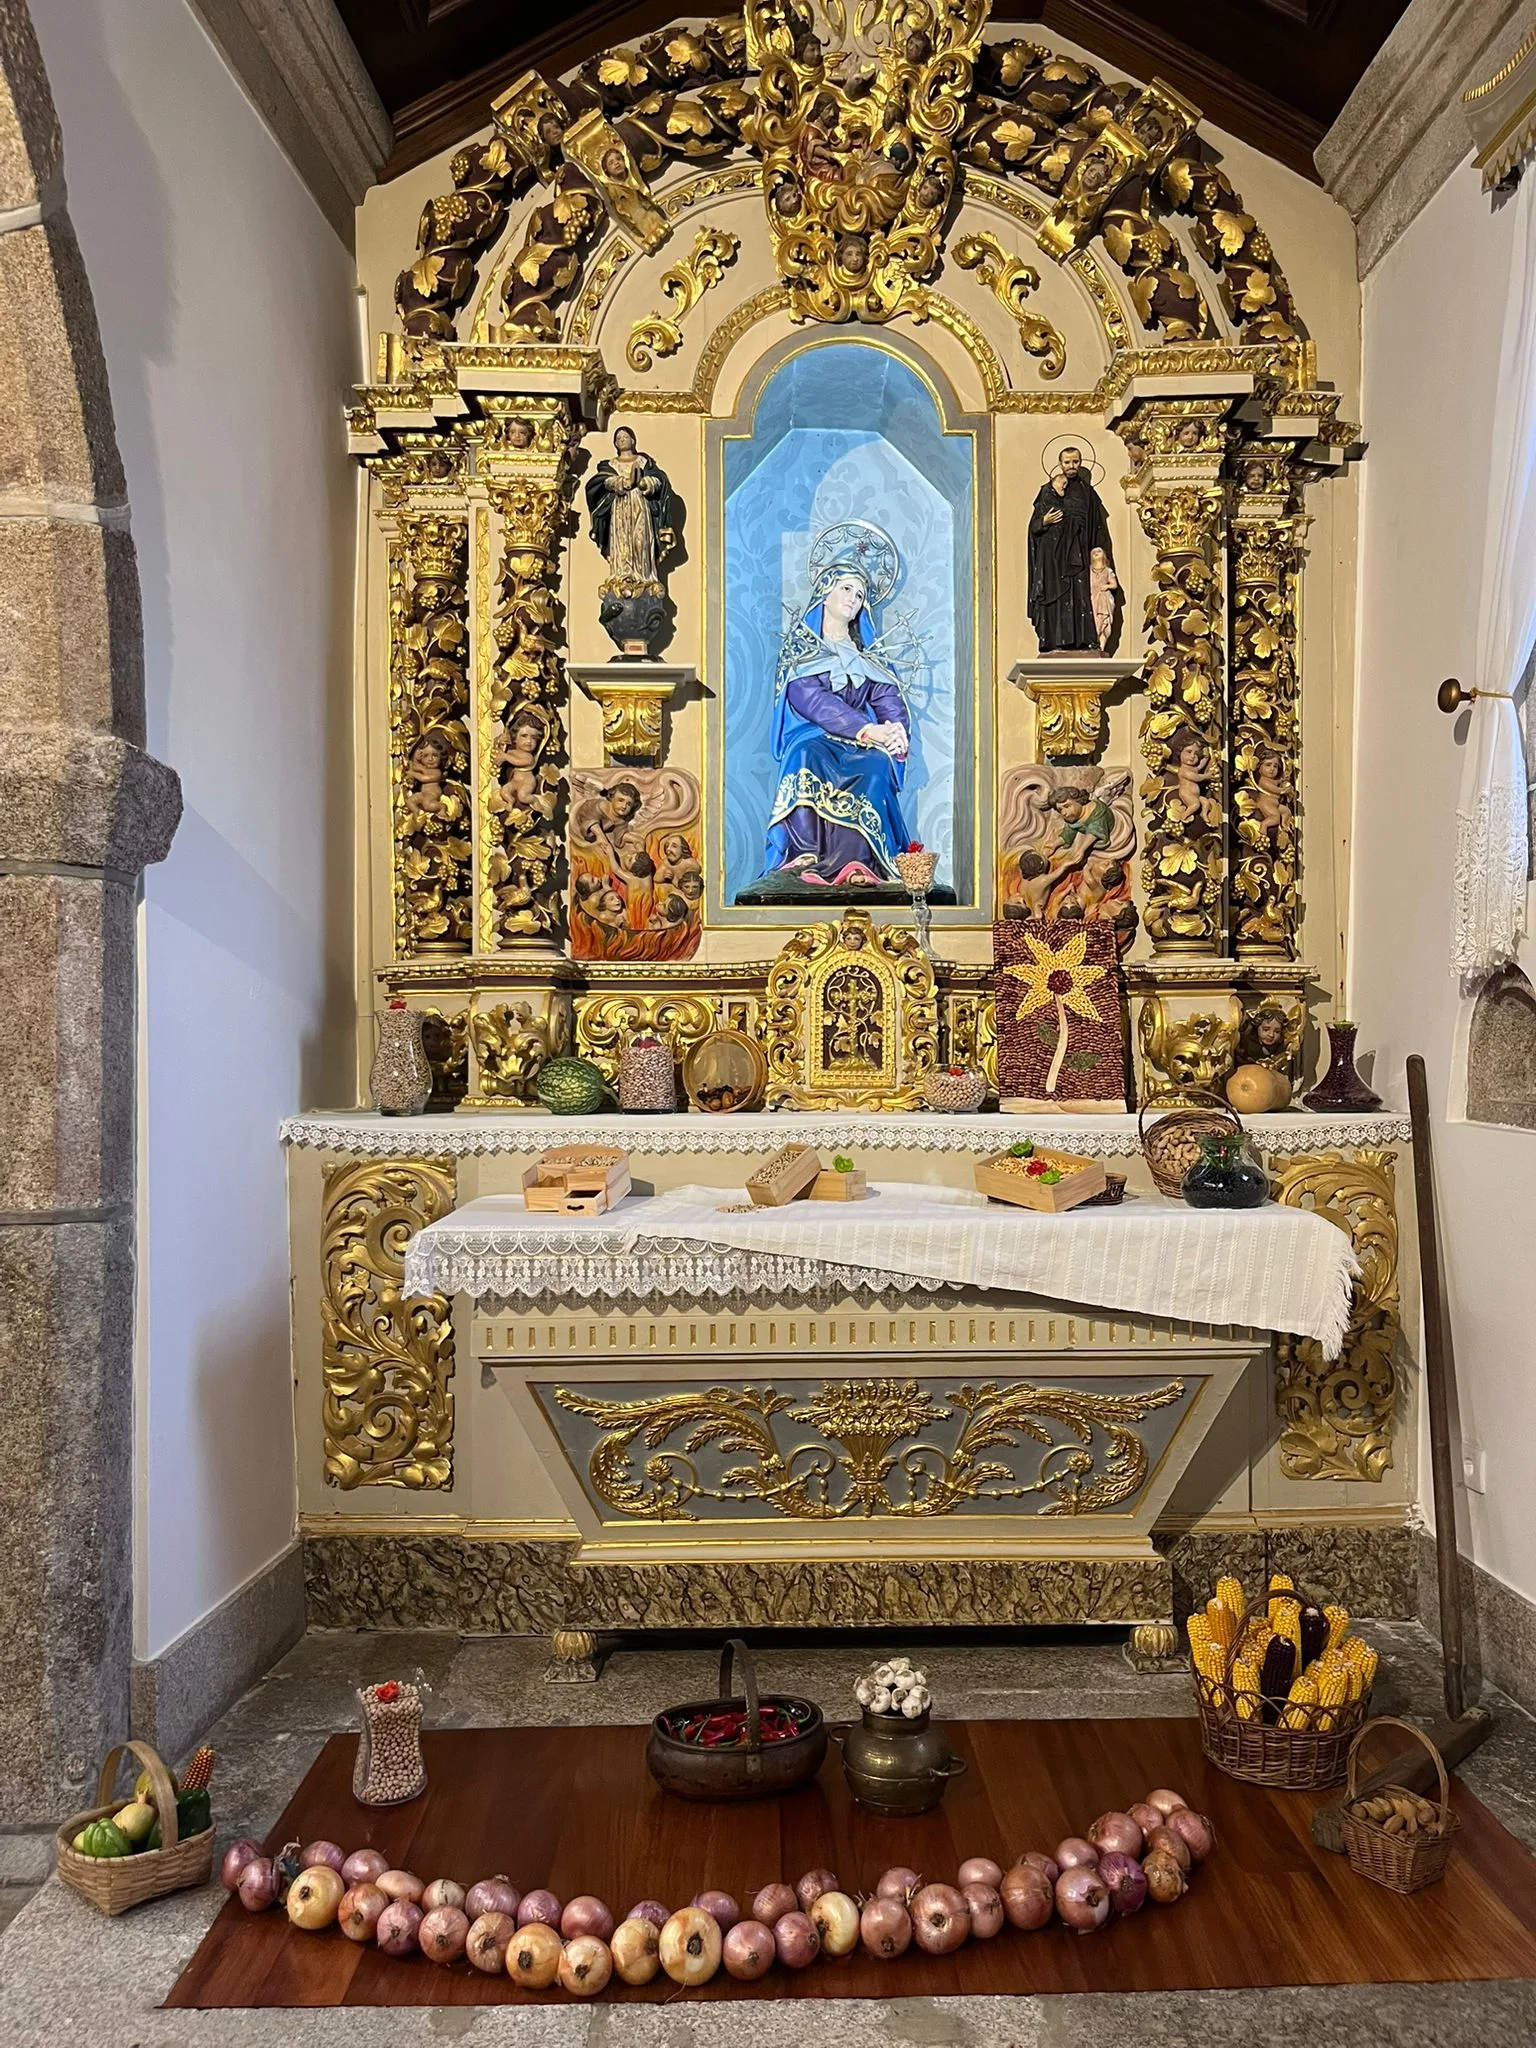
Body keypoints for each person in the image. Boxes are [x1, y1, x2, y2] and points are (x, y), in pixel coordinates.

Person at [761, 565, 913, 887]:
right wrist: (868, 729)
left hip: (859, 744)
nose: (853, 599)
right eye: (846, 589)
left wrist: (896, 733)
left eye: (860, 595)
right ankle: (804, 851)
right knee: (805, 756)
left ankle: (857, 861)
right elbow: (811, 699)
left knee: (877, 766)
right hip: (814, 735)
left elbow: (887, 698)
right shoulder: (801, 649)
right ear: (825, 592)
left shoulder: (867, 656)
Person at [1028, 446, 1115, 652]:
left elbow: (1098, 527)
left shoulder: (1088, 493)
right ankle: (1054, 640)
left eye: (1075, 461)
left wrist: (1100, 558)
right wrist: (1044, 521)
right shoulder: (1047, 490)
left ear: (1081, 462)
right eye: (1067, 462)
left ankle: (1084, 639)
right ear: (1060, 464)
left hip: (1080, 552)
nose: (1071, 466)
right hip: (1054, 555)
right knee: (1055, 595)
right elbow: (1034, 527)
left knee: (1081, 594)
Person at [584, 427, 674, 588]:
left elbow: (660, 479)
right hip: (620, 507)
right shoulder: (610, 465)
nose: (622, 440)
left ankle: (643, 575)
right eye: (618, 438)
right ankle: (622, 575)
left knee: (640, 540)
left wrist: (645, 483)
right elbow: (600, 482)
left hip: (640, 504)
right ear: (615, 443)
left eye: (625, 437)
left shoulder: (644, 462)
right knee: (622, 542)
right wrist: (620, 482)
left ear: (633, 440)